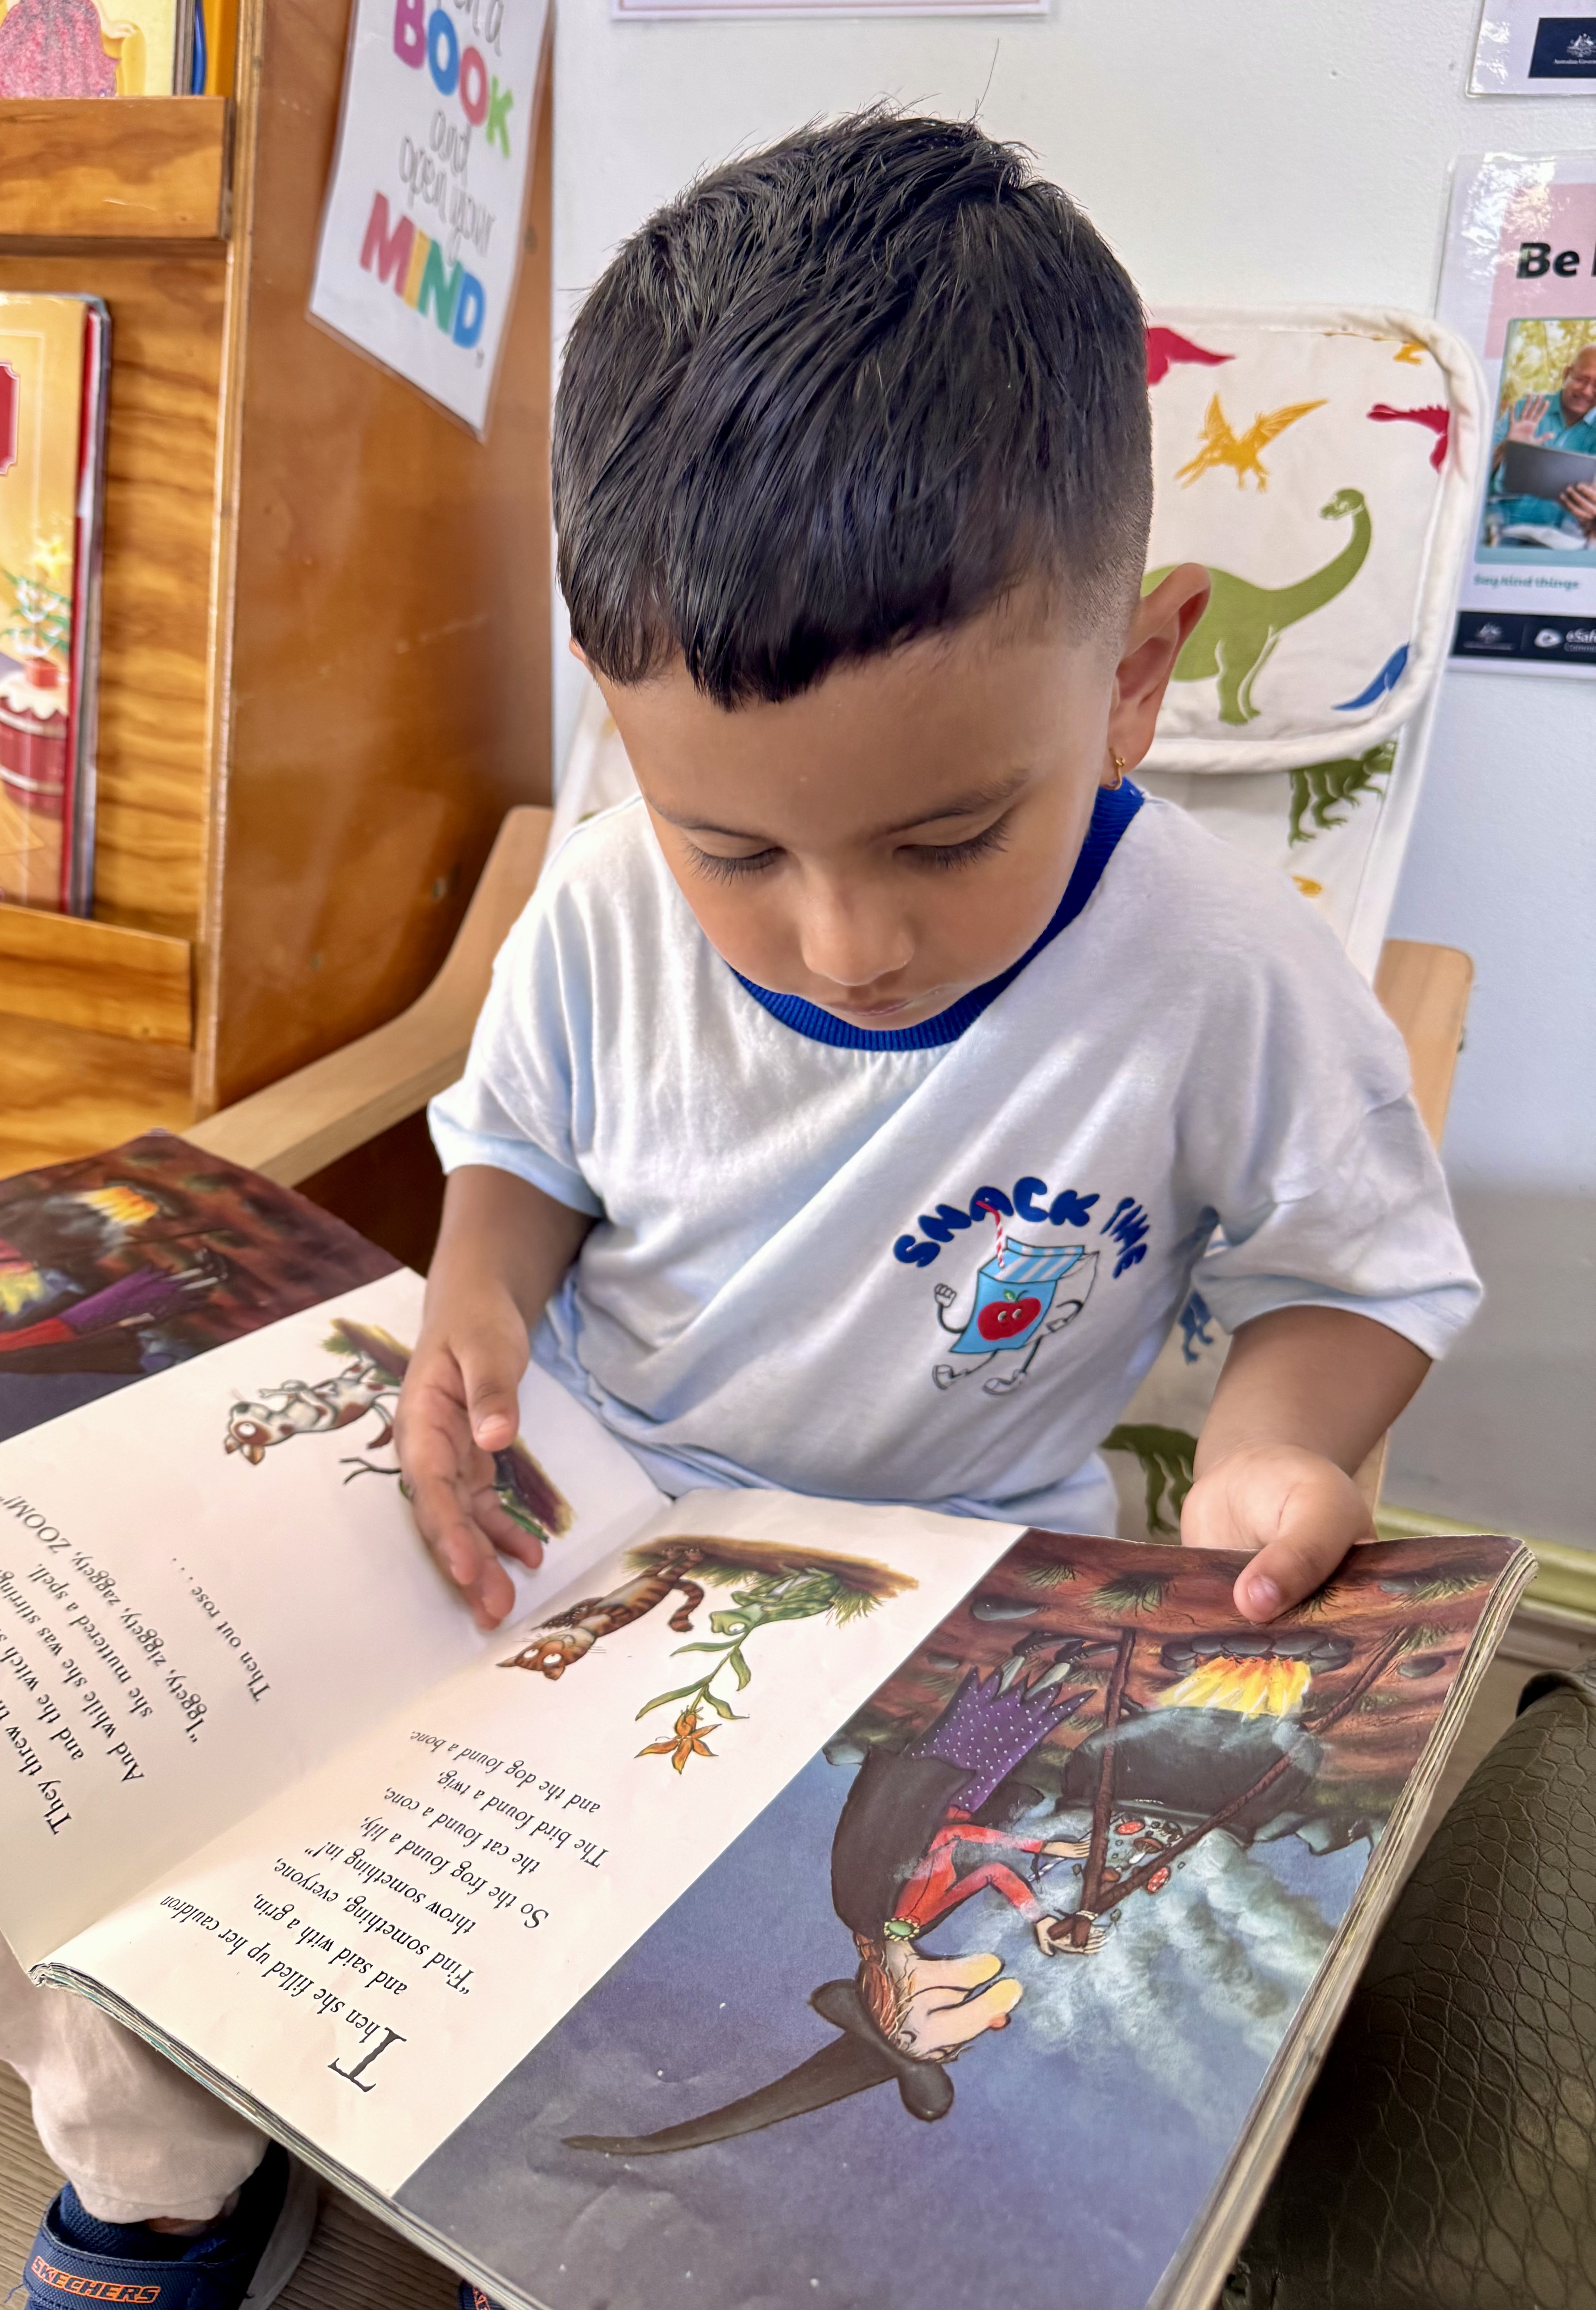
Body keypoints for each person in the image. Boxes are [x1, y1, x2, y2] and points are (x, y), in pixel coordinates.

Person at [3, 113, 1480, 2310]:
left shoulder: (1217, 965)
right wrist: (479, 1301)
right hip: (568, 1516)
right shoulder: (606, 905)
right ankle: (151, 2193)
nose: (840, 940)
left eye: (944, 833)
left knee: (912, 2014)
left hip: (943, 1586)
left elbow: (1348, 1272)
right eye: (733, 850)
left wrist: (1279, 1430)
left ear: (1135, 674)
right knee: (152, 1836)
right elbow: (514, 1150)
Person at [1485, 343, 1596, 546]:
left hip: (1562, 542)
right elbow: (1473, 477)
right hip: (1499, 528)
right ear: (1567, 374)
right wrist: (1506, 449)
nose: (1588, 392)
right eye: (1581, 379)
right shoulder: (1525, 409)